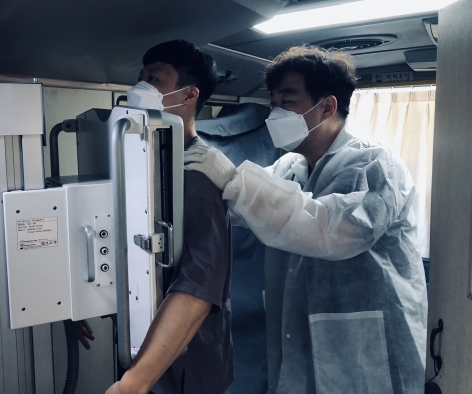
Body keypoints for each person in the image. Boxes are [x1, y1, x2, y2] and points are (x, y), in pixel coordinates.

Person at [185, 45, 428, 394]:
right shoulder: (288, 167)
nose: (274, 113)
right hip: (301, 339)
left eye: (287, 101)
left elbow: (332, 230)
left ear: (327, 106)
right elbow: (247, 208)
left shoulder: (376, 165)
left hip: (365, 346)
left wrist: (235, 181)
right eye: (272, 103)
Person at [106, 40, 233, 394]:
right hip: (144, 343)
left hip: (185, 363)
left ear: (189, 94)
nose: (140, 87)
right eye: (141, 77)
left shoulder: (199, 173)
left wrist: (136, 381)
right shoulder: (143, 161)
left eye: (154, 79)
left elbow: (199, 288)